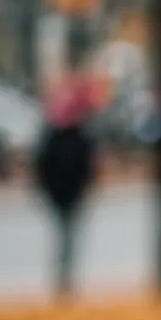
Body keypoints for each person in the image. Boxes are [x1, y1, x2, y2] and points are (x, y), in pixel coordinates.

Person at [34, 80, 96, 298]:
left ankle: (65, 279)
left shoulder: (78, 134)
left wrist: (84, 188)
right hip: (59, 194)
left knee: (68, 237)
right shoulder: (54, 135)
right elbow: (42, 166)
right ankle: (63, 279)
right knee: (65, 236)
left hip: (72, 194)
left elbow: (88, 166)